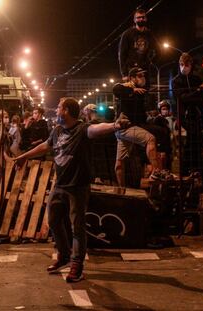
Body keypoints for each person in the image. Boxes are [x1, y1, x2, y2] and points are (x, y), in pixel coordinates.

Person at [11, 97, 130, 283]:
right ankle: (64, 256)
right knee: (53, 220)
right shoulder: (57, 130)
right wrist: (24, 157)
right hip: (59, 185)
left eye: (58, 108)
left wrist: (115, 125)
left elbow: (96, 129)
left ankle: (77, 265)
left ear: (66, 110)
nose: (56, 111)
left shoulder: (82, 129)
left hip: (77, 187)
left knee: (77, 227)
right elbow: (45, 146)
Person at [113, 67, 172, 187]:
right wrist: (132, 90)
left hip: (131, 128)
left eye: (143, 76)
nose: (143, 78)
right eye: (139, 76)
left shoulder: (141, 91)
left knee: (120, 162)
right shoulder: (126, 89)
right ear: (132, 78)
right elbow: (116, 89)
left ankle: (122, 188)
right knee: (150, 139)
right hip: (125, 127)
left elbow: (142, 113)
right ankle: (157, 172)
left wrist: (151, 118)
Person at [173, 52, 203, 176]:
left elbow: (200, 101)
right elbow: (182, 98)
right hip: (185, 116)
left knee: (195, 142)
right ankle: (189, 169)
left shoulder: (196, 79)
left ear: (191, 65)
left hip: (197, 115)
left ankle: (193, 169)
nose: (184, 67)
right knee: (194, 140)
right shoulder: (176, 81)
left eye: (186, 64)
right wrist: (197, 90)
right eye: (181, 64)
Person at [118, 8, 160, 83]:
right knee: (132, 93)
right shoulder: (127, 34)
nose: (141, 19)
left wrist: (151, 61)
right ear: (134, 20)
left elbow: (158, 50)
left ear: (146, 19)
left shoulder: (149, 34)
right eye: (138, 17)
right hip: (131, 70)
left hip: (145, 70)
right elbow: (122, 54)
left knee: (144, 92)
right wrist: (124, 74)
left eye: (143, 17)